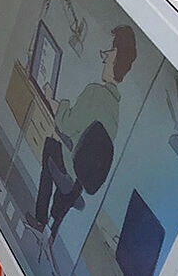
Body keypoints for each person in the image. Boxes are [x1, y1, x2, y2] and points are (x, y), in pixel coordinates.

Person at [26, 25, 137, 241]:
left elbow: (68, 124)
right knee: (66, 157)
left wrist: (52, 101)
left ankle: (40, 220)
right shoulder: (115, 109)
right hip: (81, 181)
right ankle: (54, 224)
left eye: (109, 54)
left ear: (116, 62)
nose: (104, 59)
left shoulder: (95, 92)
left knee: (51, 146)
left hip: (71, 166)